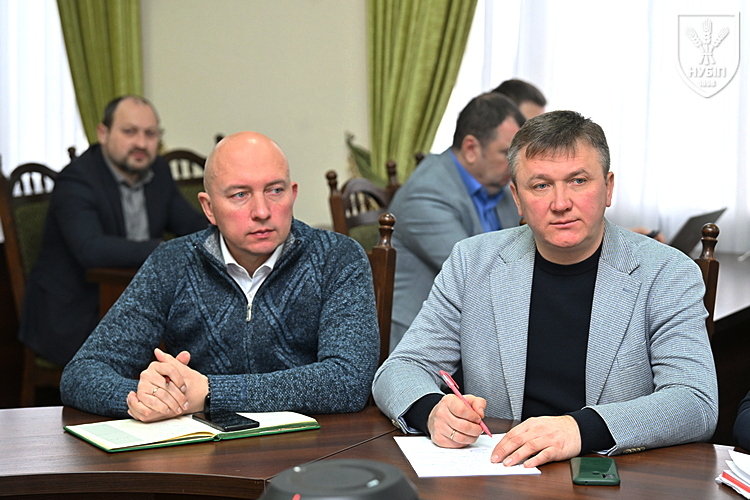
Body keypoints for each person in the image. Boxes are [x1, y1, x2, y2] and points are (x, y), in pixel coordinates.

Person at [373, 110, 718, 468]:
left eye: (578, 181)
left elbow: (695, 401)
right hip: (501, 471)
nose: (560, 203)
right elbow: (402, 367)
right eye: (540, 185)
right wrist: (433, 411)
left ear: (608, 187)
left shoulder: (667, 272)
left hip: (613, 475)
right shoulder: (472, 262)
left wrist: (579, 429)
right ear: (517, 197)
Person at [60, 131, 379, 421]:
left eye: (274, 191)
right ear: (209, 207)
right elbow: (81, 373)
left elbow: (349, 381)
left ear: (292, 194)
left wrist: (210, 392)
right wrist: (146, 397)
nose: (262, 211)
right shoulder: (172, 262)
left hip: (313, 448)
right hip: (204, 449)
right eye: (240, 194)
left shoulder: (337, 257)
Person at [19, 95, 207, 366]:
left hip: (133, 301)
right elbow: (91, 249)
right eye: (129, 132)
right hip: (76, 312)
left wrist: (227, 233)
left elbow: (189, 224)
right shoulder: (77, 179)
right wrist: (162, 250)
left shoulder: (158, 171)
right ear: (103, 133)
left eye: (150, 134)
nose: (141, 143)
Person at [387, 92, 525, 350]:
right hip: (423, 341)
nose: (516, 166)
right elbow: (477, 276)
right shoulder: (425, 196)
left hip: (479, 324)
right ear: (471, 149)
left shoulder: (499, 187)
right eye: (506, 153)